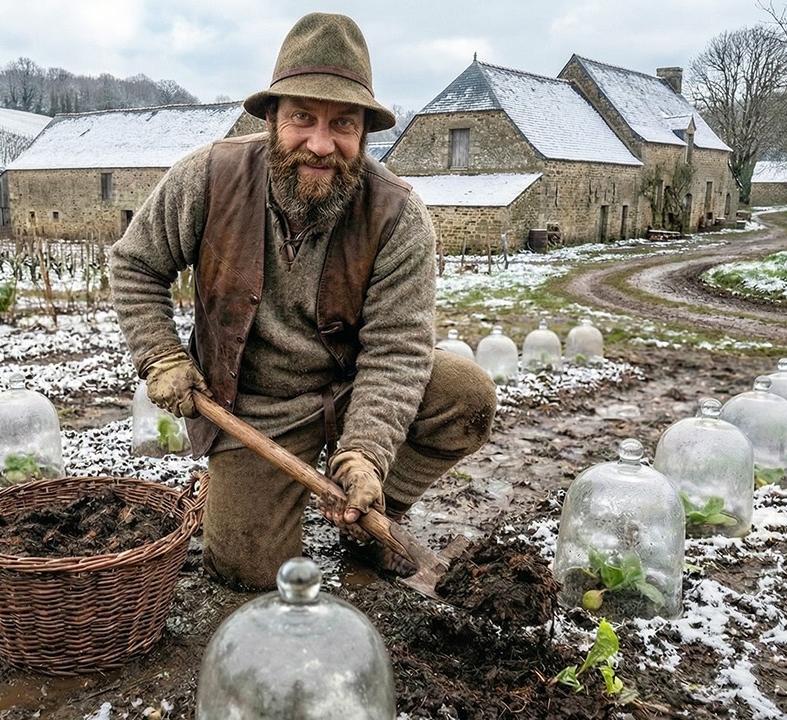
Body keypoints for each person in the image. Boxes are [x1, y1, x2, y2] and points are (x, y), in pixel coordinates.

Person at [108, 12, 496, 590]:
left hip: (351, 386)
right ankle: (259, 494)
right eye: (302, 119)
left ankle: (368, 510)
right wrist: (161, 355)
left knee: (466, 395)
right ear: (271, 118)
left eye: (342, 123)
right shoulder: (208, 178)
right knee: (247, 574)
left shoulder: (395, 214)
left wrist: (366, 454)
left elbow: (397, 352)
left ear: (365, 130)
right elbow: (134, 264)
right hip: (254, 408)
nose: (320, 143)